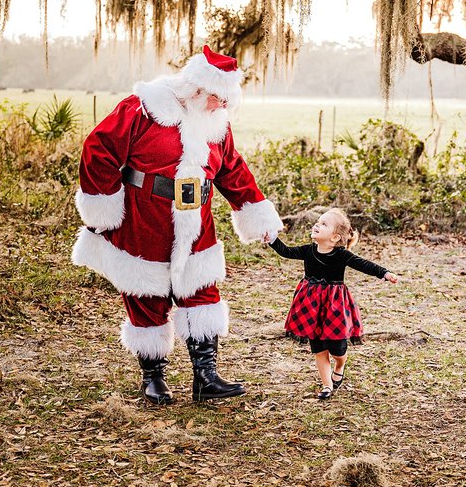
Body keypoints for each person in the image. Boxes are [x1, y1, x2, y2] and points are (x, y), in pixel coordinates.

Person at [71, 45, 283, 405]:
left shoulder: (216, 123)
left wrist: (256, 212)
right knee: (146, 294)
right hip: (145, 218)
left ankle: (206, 378)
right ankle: (153, 379)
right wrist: (104, 204)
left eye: (227, 101)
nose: (223, 107)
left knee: (200, 291)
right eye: (218, 99)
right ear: (197, 90)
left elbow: (231, 169)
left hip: (196, 221)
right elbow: (99, 149)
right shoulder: (143, 107)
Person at [263, 208, 398, 400]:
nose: (317, 224)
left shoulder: (342, 255)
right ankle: (327, 385)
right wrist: (272, 239)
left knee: (337, 349)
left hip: (334, 306)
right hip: (310, 305)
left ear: (335, 238)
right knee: (318, 346)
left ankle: (340, 365)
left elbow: (363, 264)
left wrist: (384, 273)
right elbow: (286, 252)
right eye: (318, 221)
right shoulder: (308, 250)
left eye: (324, 224)